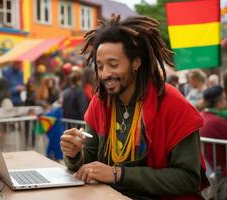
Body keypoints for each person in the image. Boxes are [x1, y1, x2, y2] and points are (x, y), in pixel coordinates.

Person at [60, 14, 209, 199]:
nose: (105, 74)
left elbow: (188, 179)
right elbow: (88, 163)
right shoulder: (100, 102)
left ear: (136, 62)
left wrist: (118, 174)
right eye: (99, 66)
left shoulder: (173, 104)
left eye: (113, 64)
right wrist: (73, 154)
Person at [199, 86, 227, 176]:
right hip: (221, 172)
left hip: (207, 171)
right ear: (219, 103)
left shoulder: (200, 116)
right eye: (225, 98)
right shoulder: (219, 121)